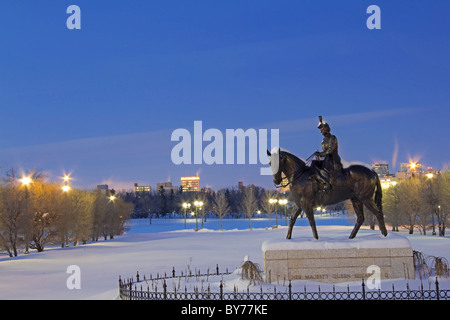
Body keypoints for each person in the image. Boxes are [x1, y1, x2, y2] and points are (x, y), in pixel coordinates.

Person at [312, 116, 343, 192]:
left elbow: (330, 150)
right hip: (326, 158)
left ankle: (328, 183)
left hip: (333, 159)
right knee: (315, 164)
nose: (321, 132)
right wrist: (319, 154)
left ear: (326, 129)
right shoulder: (323, 140)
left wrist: (320, 154)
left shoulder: (332, 138)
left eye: (322, 130)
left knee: (324, 168)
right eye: (321, 130)